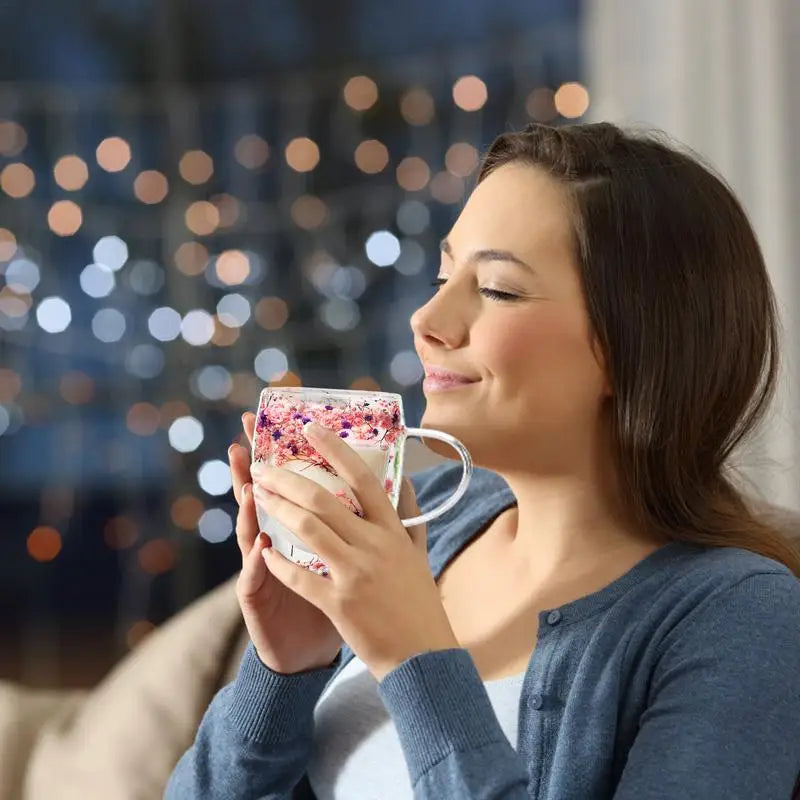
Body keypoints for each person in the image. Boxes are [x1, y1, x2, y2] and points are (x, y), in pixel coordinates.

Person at [164, 122, 800, 799]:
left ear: (635, 341)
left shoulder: (743, 618)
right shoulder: (429, 520)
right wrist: (285, 670)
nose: (428, 318)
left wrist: (415, 654)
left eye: (496, 288)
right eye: (444, 275)